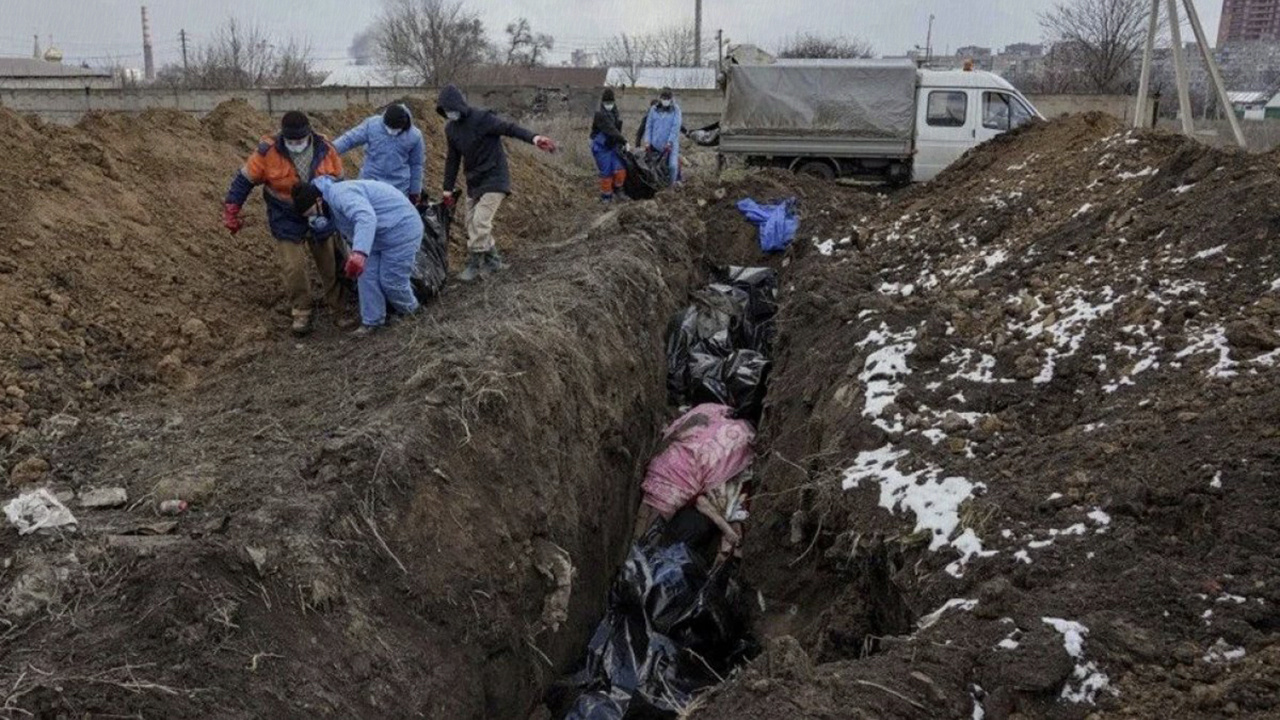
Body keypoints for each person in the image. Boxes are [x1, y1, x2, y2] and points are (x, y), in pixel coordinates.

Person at [223, 111, 347, 337]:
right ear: (283, 137)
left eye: (300, 141)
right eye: (291, 141)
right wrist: (232, 207)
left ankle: (339, 307)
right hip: (285, 214)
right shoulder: (268, 152)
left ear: (309, 134)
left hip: (320, 210)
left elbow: (340, 183)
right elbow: (244, 180)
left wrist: (340, 212)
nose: (296, 145)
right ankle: (301, 311)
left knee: (330, 262)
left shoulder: (325, 149)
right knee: (294, 267)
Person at [436, 84, 558, 282]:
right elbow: (452, 160)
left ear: (460, 105)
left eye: (452, 109)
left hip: (495, 177)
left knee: (481, 221)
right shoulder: (451, 129)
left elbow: (509, 128)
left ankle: (474, 264)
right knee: (471, 225)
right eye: (446, 111)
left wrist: (534, 138)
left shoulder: (482, 119)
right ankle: (494, 261)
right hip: (474, 181)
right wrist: (447, 190)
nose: (450, 114)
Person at [291, 177, 423, 336]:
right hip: (377, 236)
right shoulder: (329, 206)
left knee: (391, 280)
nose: (313, 218)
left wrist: (359, 253)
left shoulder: (341, 195)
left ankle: (412, 313)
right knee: (366, 276)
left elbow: (365, 217)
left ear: (319, 200)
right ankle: (372, 322)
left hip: (401, 229)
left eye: (312, 213)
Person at [333, 103, 427, 204]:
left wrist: (415, 191)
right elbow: (349, 139)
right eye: (389, 128)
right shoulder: (372, 125)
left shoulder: (415, 136)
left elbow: (416, 165)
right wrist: (329, 150)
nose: (391, 132)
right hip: (370, 183)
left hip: (398, 188)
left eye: (396, 130)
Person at [590, 88, 628, 203]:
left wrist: (620, 143)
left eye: (611, 103)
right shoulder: (599, 115)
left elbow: (616, 130)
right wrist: (624, 141)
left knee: (620, 169)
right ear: (602, 103)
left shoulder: (615, 113)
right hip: (600, 147)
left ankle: (618, 190)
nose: (609, 105)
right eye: (606, 103)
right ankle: (606, 196)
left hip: (612, 145)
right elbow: (610, 129)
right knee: (606, 172)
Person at [643, 87, 683, 187]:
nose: (665, 101)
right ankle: (658, 185)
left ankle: (671, 186)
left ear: (671, 99)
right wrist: (647, 141)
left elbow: (675, 127)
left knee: (672, 166)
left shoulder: (676, 110)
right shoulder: (654, 109)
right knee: (655, 167)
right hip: (655, 144)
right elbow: (649, 125)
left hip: (670, 145)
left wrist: (669, 142)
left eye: (667, 99)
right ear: (660, 98)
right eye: (663, 98)